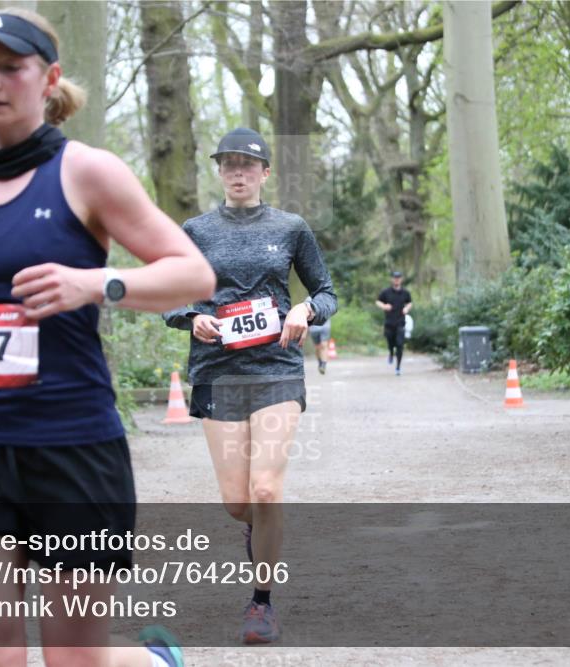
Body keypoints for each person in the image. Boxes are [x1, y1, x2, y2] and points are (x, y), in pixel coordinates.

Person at [0, 8, 214, 667]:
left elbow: (193, 272)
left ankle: (158, 660)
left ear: (48, 77)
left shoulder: (90, 173)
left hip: (72, 446)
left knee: (73, 659)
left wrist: (97, 283)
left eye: (10, 68)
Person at [163, 127, 337, 644]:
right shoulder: (194, 230)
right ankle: (255, 527)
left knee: (266, 488)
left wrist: (306, 308)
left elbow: (326, 291)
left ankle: (261, 603)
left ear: (264, 173)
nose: (238, 172)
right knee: (239, 502)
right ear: (219, 171)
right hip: (218, 372)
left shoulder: (290, 227)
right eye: (229, 163)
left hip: (276, 369)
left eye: (248, 164)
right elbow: (170, 294)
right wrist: (191, 316)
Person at [376, 270, 412, 376]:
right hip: (389, 323)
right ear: (392, 279)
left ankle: (398, 367)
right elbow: (378, 301)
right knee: (390, 342)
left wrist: (406, 309)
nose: (397, 280)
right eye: (395, 278)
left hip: (400, 322)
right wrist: (384, 306)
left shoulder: (405, 293)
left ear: (401, 279)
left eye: (398, 278)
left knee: (400, 345)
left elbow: (410, 302)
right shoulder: (386, 292)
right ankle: (391, 353)